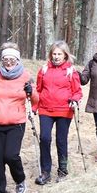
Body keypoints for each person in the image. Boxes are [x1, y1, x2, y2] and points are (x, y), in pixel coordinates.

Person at [0, 43, 39, 193]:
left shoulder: (25, 75)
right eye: (6, 59)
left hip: (16, 123)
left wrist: (30, 91)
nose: (9, 62)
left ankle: (20, 180)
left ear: (18, 60)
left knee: (11, 156)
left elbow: (36, 99)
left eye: (12, 59)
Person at [33, 41, 82, 184]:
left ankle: (62, 170)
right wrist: (34, 107)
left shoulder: (71, 71)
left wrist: (74, 100)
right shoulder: (43, 70)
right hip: (45, 109)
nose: (56, 57)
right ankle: (45, 172)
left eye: (59, 54)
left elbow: (77, 91)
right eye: (54, 54)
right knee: (45, 139)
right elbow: (38, 90)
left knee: (61, 140)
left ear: (65, 55)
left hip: (64, 110)